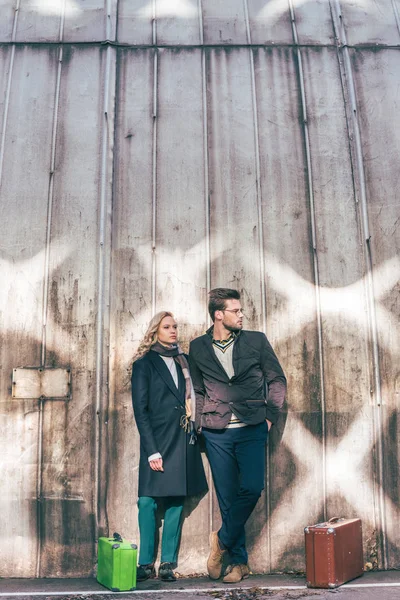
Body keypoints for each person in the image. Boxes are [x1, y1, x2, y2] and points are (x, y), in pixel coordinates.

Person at [189, 288, 286, 583]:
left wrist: (270, 416)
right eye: (236, 310)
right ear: (219, 314)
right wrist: (201, 424)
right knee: (228, 498)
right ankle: (238, 563)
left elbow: (276, 379)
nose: (242, 315)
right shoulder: (198, 347)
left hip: (252, 427)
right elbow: (198, 388)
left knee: (252, 487)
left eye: (241, 311)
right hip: (217, 432)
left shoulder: (256, 341)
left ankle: (220, 539)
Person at [131, 311, 208, 582]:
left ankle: (167, 563)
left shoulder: (184, 361)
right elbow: (140, 410)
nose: (173, 330)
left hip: (182, 436)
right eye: (167, 327)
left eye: (175, 326)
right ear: (156, 331)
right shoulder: (144, 365)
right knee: (147, 500)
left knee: (177, 499)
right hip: (157, 439)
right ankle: (144, 563)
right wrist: (151, 449)